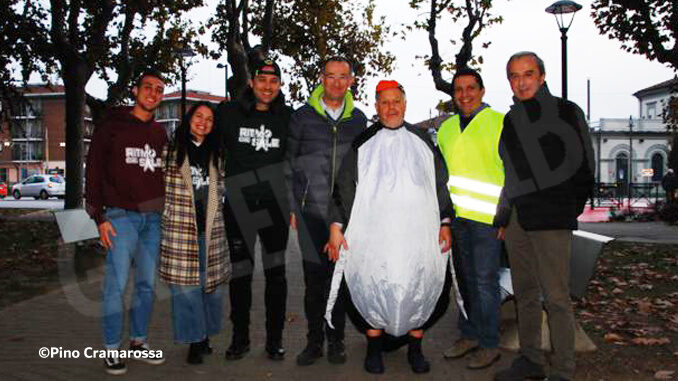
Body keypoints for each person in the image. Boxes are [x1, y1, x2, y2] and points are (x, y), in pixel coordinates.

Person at [326, 80, 453, 374]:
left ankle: (415, 350)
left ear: (405, 104)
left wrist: (445, 222)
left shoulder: (423, 140)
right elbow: (344, 187)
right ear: (376, 106)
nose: (391, 107)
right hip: (374, 234)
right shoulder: (363, 143)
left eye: (396, 101)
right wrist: (336, 226)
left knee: (419, 285)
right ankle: (374, 349)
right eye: (384, 102)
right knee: (371, 283)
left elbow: (440, 186)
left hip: (417, 234)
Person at [493, 52, 595, 381]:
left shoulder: (566, 112)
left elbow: (585, 166)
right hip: (519, 220)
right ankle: (531, 361)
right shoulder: (511, 120)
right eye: (514, 76)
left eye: (528, 74)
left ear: (542, 76)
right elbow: (509, 172)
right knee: (525, 293)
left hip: (551, 220)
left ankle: (563, 369)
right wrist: (504, 215)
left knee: (556, 298)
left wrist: (567, 209)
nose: (521, 81)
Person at [286, 56, 367, 366]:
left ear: (351, 81)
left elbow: (364, 169)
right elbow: (289, 164)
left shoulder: (359, 120)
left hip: (346, 216)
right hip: (311, 214)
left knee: (340, 280)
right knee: (314, 282)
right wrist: (294, 206)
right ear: (321, 78)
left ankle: (337, 341)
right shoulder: (302, 117)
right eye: (330, 76)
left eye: (342, 76)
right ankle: (313, 342)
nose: (336, 82)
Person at [85, 72, 168, 375]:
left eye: (159, 90)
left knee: (146, 286)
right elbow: (92, 171)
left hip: (153, 219)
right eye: (148, 87)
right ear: (136, 91)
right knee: (116, 285)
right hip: (120, 216)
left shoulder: (160, 133)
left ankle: (138, 341)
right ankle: (110, 348)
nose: (153, 93)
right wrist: (99, 218)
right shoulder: (111, 127)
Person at [215, 58, 292, 361]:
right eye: (262, 80)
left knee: (277, 275)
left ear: (280, 85)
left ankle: (274, 341)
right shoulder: (229, 113)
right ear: (252, 82)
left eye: (274, 81)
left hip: (275, 207)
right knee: (240, 276)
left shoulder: (288, 117)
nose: (267, 86)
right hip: (239, 207)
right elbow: (202, 137)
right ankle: (240, 339)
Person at [438, 68, 504, 369]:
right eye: (459, 89)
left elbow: (513, 173)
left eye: (471, 88)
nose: (465, 95)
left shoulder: (500, 123)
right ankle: (469, 335)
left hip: (488, 221)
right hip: (458, 219)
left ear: (482, 90)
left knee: (484, 283)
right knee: (463, 282)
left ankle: (490, 344)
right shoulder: (446, 129)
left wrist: (505, 217)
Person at [158, 102, 230, 365]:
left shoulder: (217, 153)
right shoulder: (171, 151)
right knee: (186, 289)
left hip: (210, 231)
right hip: (180, 231)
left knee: (211, 288)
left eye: (209, 119)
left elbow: (222, 189)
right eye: (199, 117)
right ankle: (195, 341)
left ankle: (206, 335)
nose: (203, 122)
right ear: (189, 119)